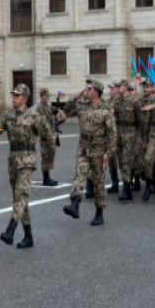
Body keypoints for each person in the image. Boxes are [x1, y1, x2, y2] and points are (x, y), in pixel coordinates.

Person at [0, 83, 51, 249]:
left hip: (27, 160)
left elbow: (47, 136)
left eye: (17, 95)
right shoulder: (8, 116)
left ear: (25, 98)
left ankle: (10, 230)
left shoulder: (34, 116)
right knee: (19, 199)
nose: (14, 98)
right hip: (13, 160)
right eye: (13, 95)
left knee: (21, 196)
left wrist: (48, 160)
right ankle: (28, 236)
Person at [61, 80, 118, 225]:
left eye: (90, 88)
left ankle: (99, 213)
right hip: (83, 147)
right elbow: (65, 111)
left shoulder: (106, 110)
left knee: (98, 182)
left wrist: (108, 154)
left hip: (99, 150)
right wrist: (76, 96)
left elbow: (112, 134)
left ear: (96, 92)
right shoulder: (82, 106)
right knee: (80, 174)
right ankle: (75, 205)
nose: (87, 89)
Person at [37, 87, 60, 186]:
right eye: (46, 96)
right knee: (45, 156)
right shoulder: (40, 108)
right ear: (42, 97)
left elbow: (54, 111)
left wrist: (58, 109)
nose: (47, 98)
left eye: (48, 96)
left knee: (50, 154)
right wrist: (51, 133)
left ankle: (48, 177)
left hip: (50, 135)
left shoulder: (47, 106)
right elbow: (43, 123)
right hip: (45, 136)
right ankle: (46, 179)